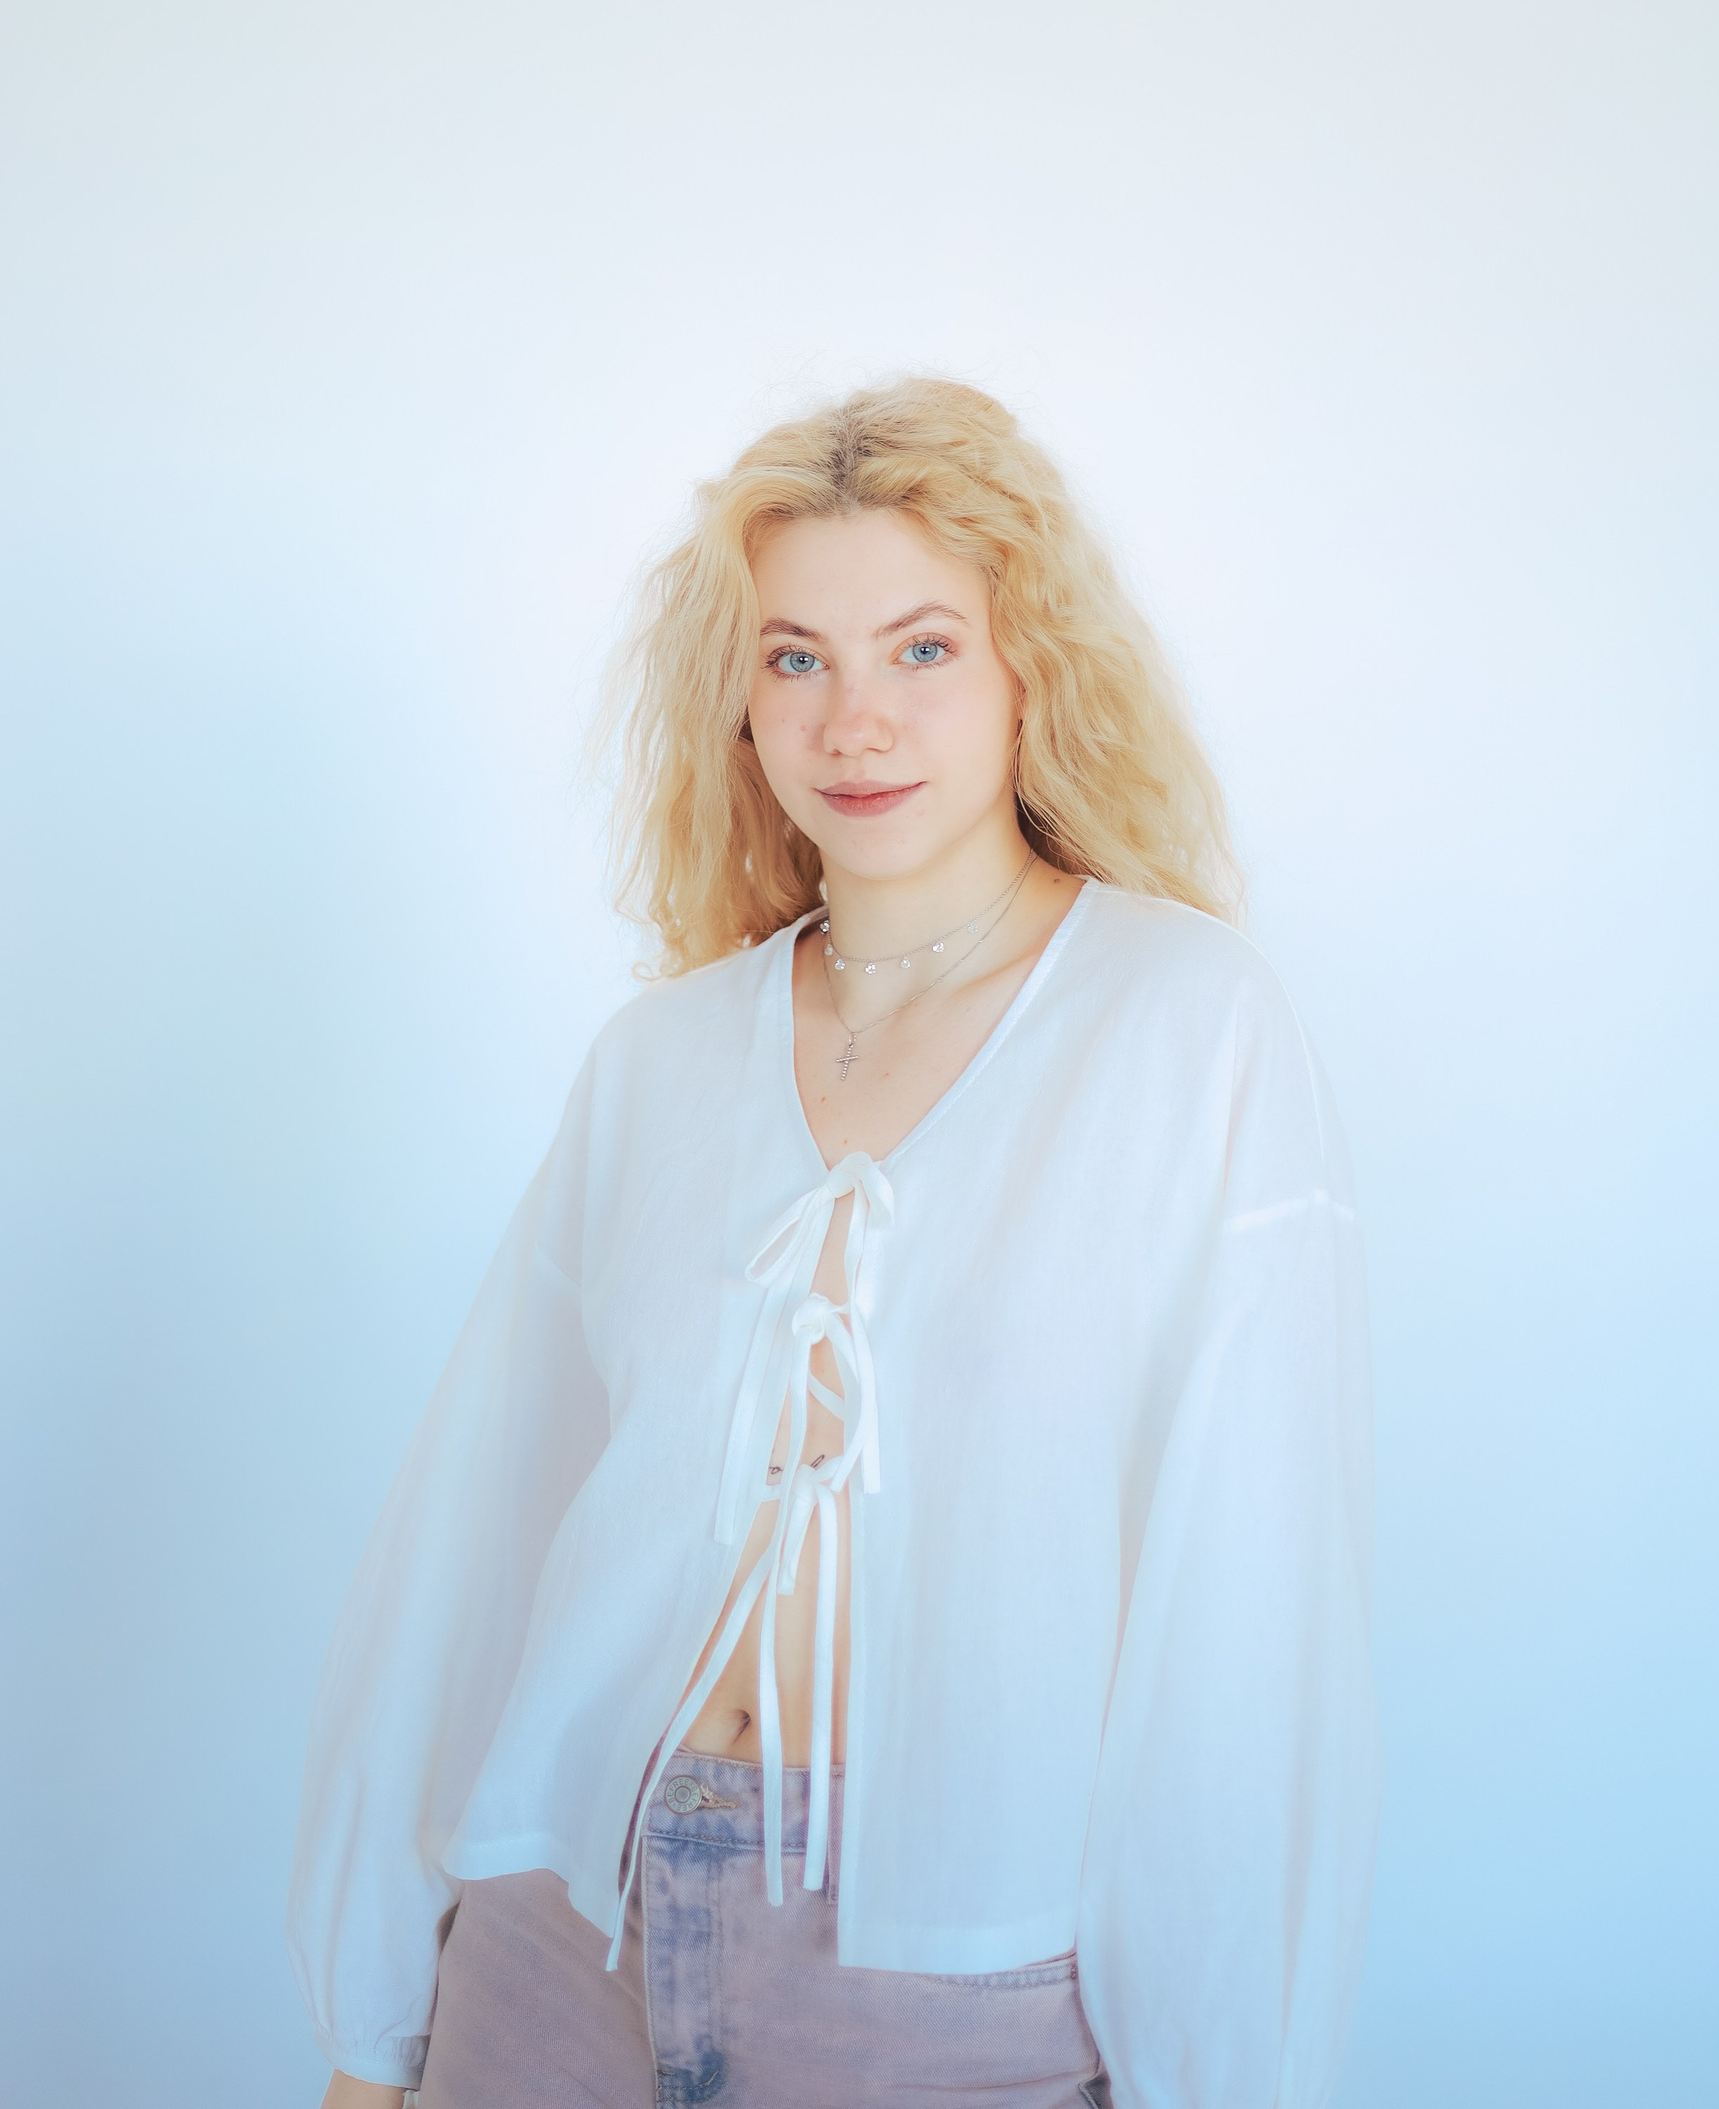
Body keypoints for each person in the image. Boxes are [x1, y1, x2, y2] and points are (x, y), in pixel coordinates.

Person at [288, 377, 1379, 2109]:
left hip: (949, 1968)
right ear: (739, 701)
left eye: (922, 648)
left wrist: (1218, 2067)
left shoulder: (1187, 1027)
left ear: (1032, 670)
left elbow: (1246, 1612)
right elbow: (481, 1533)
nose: (855, 720)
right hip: (562, 1920)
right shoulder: (659, 1059)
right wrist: (373, 2028)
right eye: (796, 657)